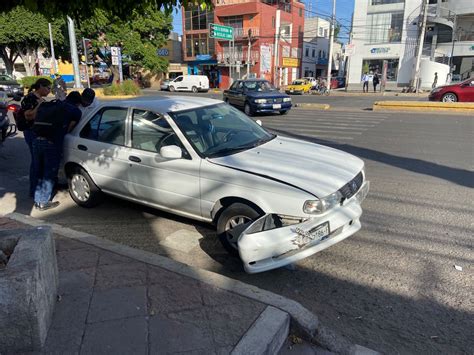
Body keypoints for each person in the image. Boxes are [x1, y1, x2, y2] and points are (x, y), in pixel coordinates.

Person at [32, 91, 82, 211]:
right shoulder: (75, 111)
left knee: (40, 171)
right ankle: (43, 202)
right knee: (49, 173)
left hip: (36, 141)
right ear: (78, 103)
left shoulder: (53, 105)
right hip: (51, 143)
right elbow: (70, 128)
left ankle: (37, 200)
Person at [20, 78, 51, 197]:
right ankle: (34, 190)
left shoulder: (40, 99)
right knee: (36, 161)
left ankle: (39, 188)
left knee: (41, 161)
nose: (49, 91)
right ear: (41, 87)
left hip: (39, 132)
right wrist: (40, 105)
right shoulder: (30, 98)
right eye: (48, 88)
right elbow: (29, 116)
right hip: (31, 131)